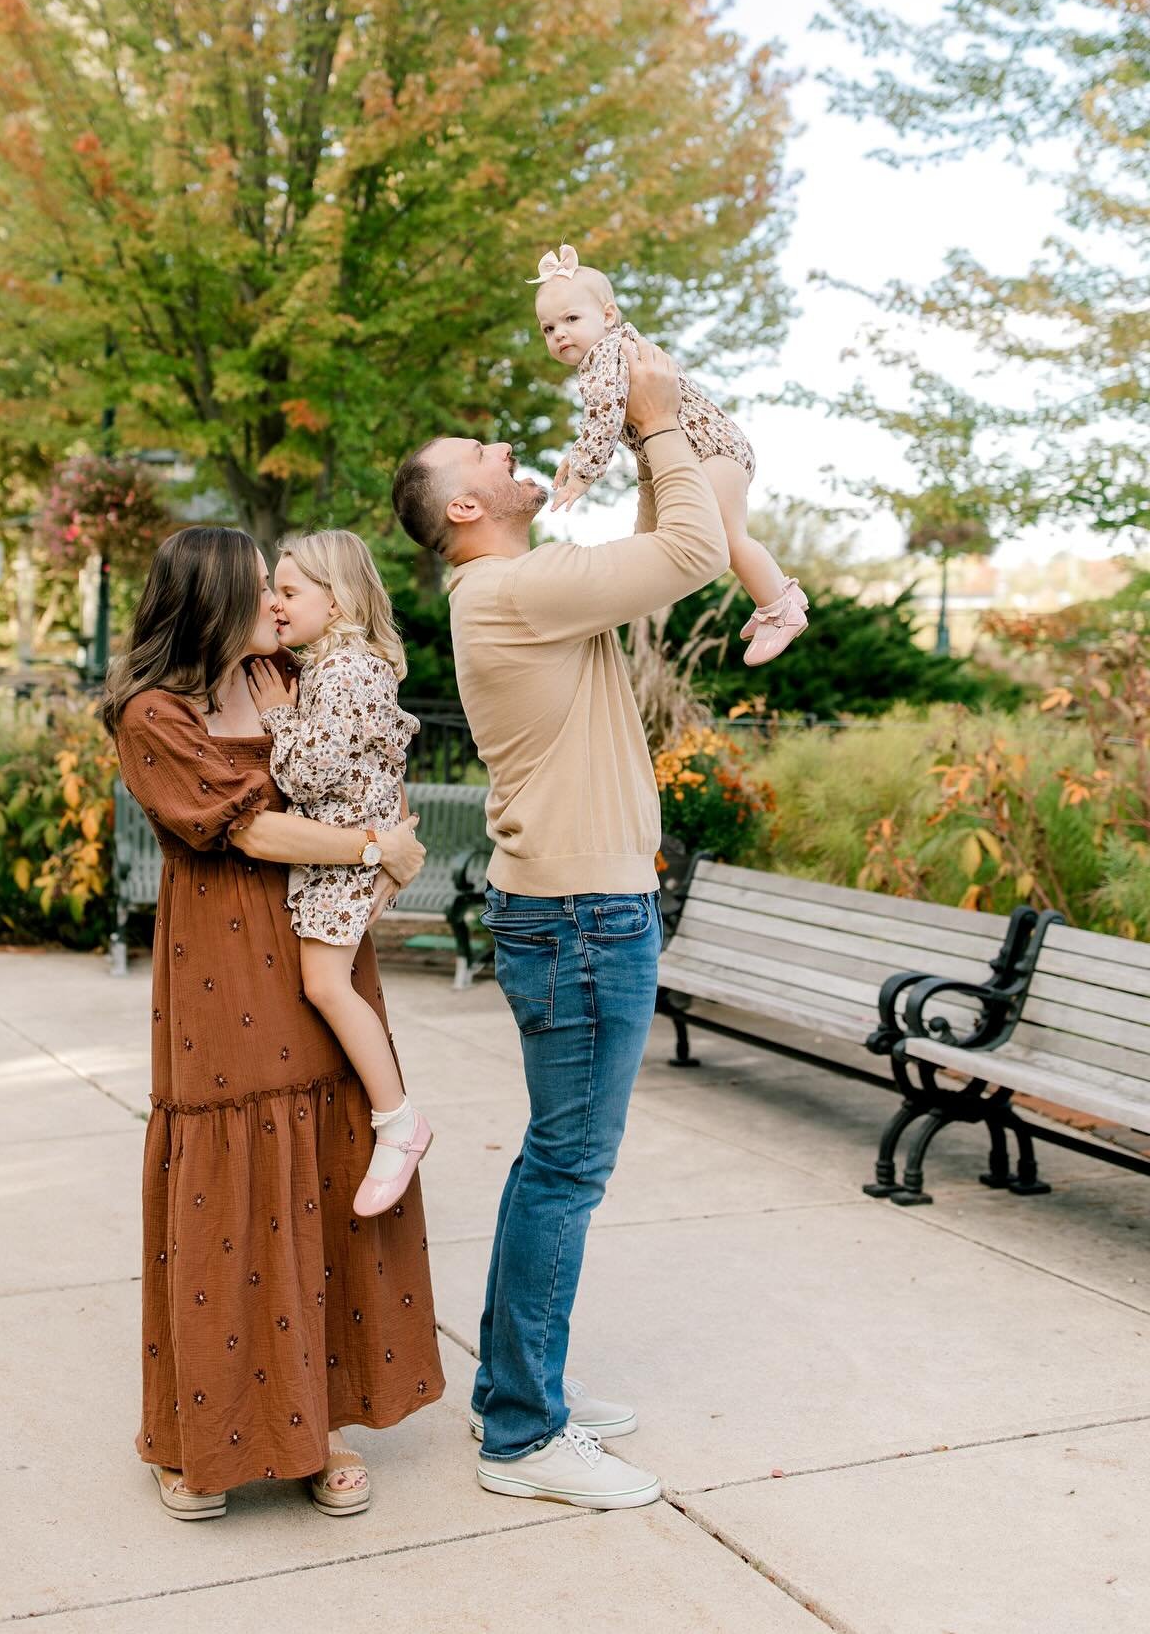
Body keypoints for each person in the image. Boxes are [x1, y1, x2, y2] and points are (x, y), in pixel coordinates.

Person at [391, 327, 729, 1510]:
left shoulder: (520, 592)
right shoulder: (512, 591)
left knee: (553, 1162)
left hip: (576, 911)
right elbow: (693, 550)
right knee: (567, 1170)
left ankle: (516, 1390)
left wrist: (649, 442)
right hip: (584, 918)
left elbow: (649, 547)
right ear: (466, 505)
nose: (505, 446)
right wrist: (656, 421)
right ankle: (525, 1433)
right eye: (483, 450)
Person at [103, 526, 445, 1522]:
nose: (276, 600)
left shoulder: (285, 673)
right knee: (229, 1186)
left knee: (323, 1173)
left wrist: (382, 834)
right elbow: (250, 828)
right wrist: (376, 844)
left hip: (317, 936)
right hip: (221, 953)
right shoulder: (152, 713)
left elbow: (366, 754)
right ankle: (194, 1435)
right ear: (210, 600)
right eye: (260, 586)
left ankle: (317, 1422)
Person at [246, 530, 433, 1218]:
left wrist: (276, 716)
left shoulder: (342, 672)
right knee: (325, 983)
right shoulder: (343, 666)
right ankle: (395, 1118)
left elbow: (307, 773)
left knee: (325, 985)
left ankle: (398, 1121)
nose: (277, 603)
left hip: (344, 856)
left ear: (337, 599)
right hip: (348, 849)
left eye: (290, 591)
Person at [530, 241, 808, 666]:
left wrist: (582, 475)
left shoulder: (606, 355)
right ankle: (781, 593)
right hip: (711, 449)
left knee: (725, 535)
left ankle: (779, 609)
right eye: (548, 329)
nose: (560, 334)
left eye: (571, 319)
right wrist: (577, 452)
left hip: (708, 449)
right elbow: (603, 419)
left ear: (607, 315)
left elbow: (604, 421)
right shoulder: (612, 352)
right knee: (704, 534)